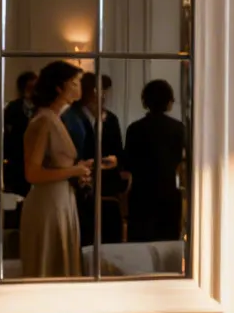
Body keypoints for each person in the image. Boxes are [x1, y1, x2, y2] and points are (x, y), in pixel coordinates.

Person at [20, 60, 94, 278]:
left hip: (61, 199)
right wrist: (74, 171)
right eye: (74, 83)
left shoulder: (55, 118)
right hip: (48, 203)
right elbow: (32, 173)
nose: (78, 87)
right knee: (49, 267)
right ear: (59, 87)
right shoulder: (43, 121)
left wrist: (80, 168)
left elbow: (55, 163)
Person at [123, 79, 187, 244]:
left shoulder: (134, 128)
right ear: (168, 102)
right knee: (167, 247)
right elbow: (184, 160)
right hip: (168, 193)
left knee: (140, 248)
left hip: (140, 196)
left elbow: (127, 162)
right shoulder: (178, 128)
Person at [69, 72, 125, 245]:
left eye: (104, 91)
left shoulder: (111, 119)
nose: (102, 95)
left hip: (107, 187)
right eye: (98, 90)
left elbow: (119, 151)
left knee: (110, 238)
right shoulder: (73, 117)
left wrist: (114, 161)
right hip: (81, 186)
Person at [1, 71, 38, 197]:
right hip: (16, 161)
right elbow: (7, 135)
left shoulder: (41, 109)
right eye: (30, 88)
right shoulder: (13, 108)